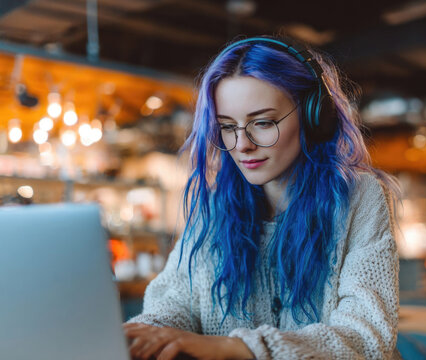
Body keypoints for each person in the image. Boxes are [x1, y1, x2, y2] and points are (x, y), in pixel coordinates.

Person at [124, 35, 401, 360]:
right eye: (228, 126)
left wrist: (238, 348)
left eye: (263, 122)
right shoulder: (213, 208)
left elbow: (366, 339)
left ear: (314, 118)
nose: (242, 144)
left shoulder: (359, 198)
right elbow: (173, 303)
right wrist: (145, 335)